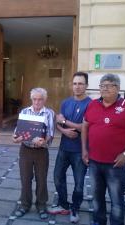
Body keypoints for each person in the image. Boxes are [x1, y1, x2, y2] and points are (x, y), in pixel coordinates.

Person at [81, 74, 125, 225]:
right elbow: (85, 126)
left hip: (116, 164)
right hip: (94, 162)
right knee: (97, 197)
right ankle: (99, 222)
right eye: (102, 86)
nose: (104, 89)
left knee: (116, 199)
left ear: (117, 88)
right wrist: (84, 150)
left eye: (108, 85)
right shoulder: (92, 104)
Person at [48, 72, 91, 223]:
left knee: (79, 184)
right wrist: (63, 130)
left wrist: (65, 121)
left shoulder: (91, 104)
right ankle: (63, 205)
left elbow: (83, 127)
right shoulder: (65, 102)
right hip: (64, 148)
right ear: (71, 85)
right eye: (75, 83)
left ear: (86, 85)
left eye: (80, 83)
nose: (77, 86)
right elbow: (58, 123)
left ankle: (75, 209)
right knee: (57, 177)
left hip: (80, 150)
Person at [12, 87, 55, 220]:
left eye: (40, 99)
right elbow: (17, 132)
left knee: (41, 180)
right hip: (25, 150)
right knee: (25, 179)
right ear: (31, 99)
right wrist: (15, 138)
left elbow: (51, 133)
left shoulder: (49, 113)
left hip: (41, 151)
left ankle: (41, 205)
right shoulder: (24, 112)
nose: (37, 102)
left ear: (45, 100)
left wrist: (44, 141)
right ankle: (25, 205)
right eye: (35, 99)